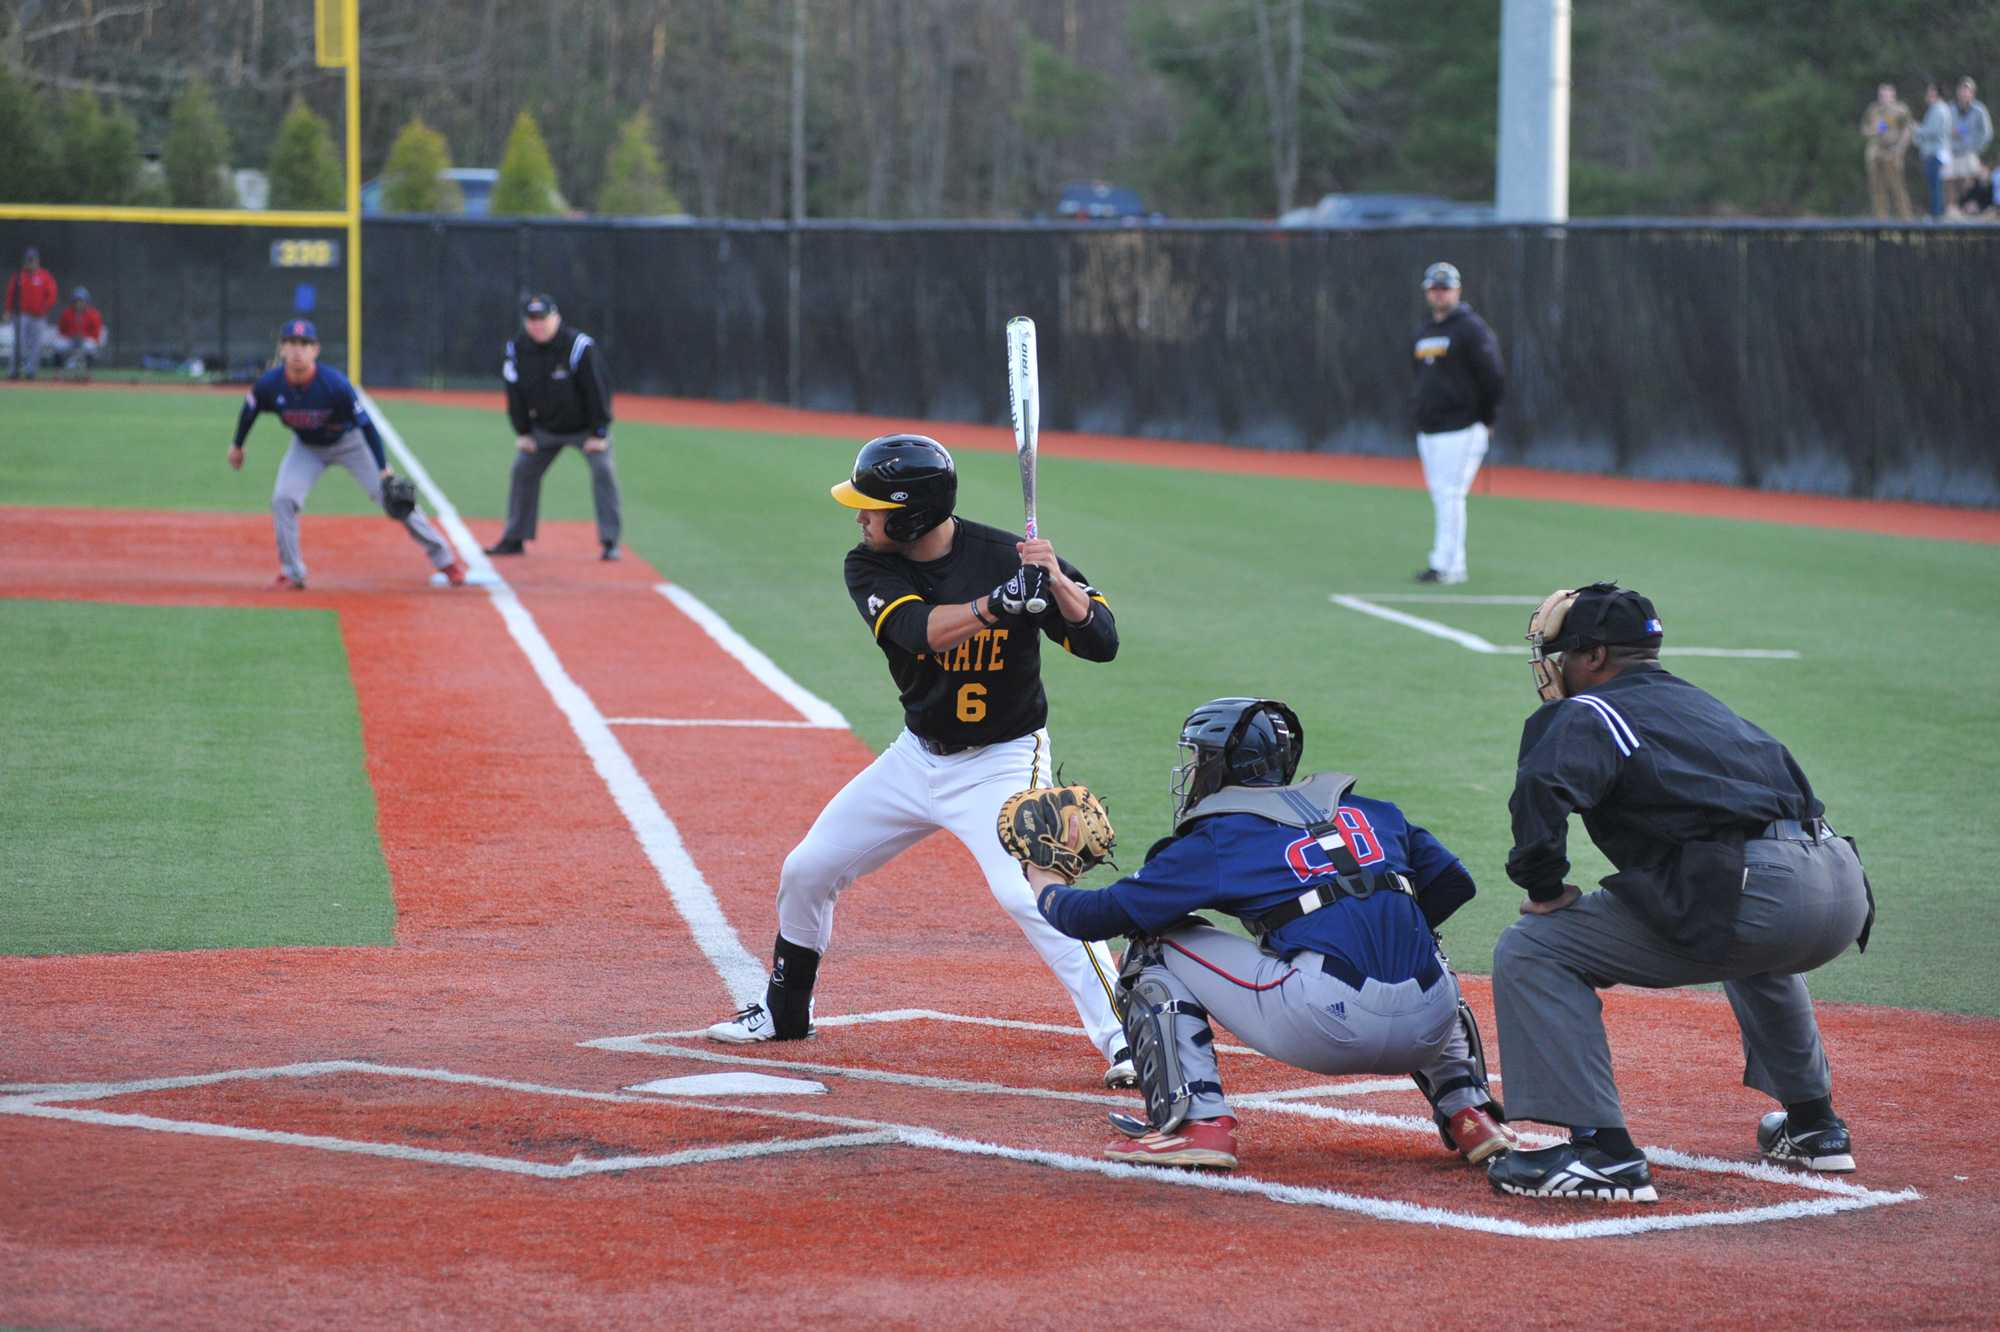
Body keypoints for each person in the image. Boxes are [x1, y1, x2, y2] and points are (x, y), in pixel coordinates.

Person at [704, 433, 1137, 1087]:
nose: (860, 518)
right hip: (915, 760)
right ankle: (785, 1012)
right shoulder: (869, 568)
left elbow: (1101, 642)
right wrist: (999, 606)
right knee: (808, 869)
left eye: (871, 506)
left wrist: (1053, 584)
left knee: (1027, 893)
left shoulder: (1005, 556)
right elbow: (919, 633)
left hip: (1005, 760)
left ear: (909, 514)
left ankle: (1130, 1037)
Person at [1485, 583, 1874, 1203]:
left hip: (1758, 893)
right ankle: (1815, 1127)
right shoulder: (1699, 705)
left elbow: (1540, 789)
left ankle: (1603, 1156)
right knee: (1745, 941)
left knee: (1535, 946)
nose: (1554, 666)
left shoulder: (1590, 711)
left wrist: (1545, 887)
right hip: (1839, 885)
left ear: (1596, 657)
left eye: (1562, 653)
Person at [1026, 697, 1516, 1172]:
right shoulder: (1373, 811)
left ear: (1224, 766)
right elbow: (1456, 883)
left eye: (1200, 759)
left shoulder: (1222, 837)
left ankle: (1195, 1125)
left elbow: (1097, 916)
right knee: (1418, 942)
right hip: (1429, 1024)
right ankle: (1469, 1110)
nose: (1194, 771)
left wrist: (1043, 882)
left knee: (1154, 941)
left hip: (1326, 1022)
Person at [229, 319, 466, 590]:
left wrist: (383, 470)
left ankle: (446, 562)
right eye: (291, 344)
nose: (297, 351)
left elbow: (367, 425)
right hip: (307, 448)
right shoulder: (270, 385)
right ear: (281, 349)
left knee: (394, 499)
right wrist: (237, 445)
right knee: (283, 499)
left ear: (315, 350)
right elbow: (250, 410)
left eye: (304, 344)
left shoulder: (334, 385)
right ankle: (292, 572)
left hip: (350, 443)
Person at [482, 293, 622, 561]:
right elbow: (515, 395)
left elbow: (598, 390)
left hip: (585, 428)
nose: (538, 325)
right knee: (523, 469)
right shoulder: (517, 349)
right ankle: (515, 537)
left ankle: (610, 540)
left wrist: (599, 433)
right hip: (545, 429)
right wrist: (523, 432)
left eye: (543, 319)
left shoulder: (578, 346)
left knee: (603, 469)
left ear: (556, 318)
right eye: (532, 320)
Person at [1409, 261, 1504, 586]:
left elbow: (1492, 374)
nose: (1440, 293)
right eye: (1435, 288)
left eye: (1445, 288)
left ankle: (1451, 565)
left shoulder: (1470, 328)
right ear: (1427, 292)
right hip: (1430, 426)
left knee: (1450, 494)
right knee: (1440, 494)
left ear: (1457, 290)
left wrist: (1487, 416)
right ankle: (1441, 561)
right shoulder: (1424, 330)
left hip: (1462, 425)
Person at [1860, 82, 1915, 219]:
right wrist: (1874, 130)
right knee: (1877, 188)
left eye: (1886, 94)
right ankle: (1881, 220)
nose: (1883, 97)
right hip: (1877, 151)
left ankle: (1906, 220)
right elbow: (1864, 130)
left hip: (1893, 152)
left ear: (1893, 95)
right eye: (1881, 95)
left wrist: (1900, 149)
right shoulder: (1873, 110)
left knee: (1897, 188)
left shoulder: (1900, 110)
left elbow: (1908, 131)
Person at [4, 246, 59, 380]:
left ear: (37, 261)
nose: (30, 263)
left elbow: (52, 295)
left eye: (33, 260)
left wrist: (43, 308)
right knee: (19, 344)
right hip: (21, 315)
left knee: (36, 345)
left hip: (38, 317)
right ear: (25, 261)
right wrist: (7, 310)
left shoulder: (44, 276)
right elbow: (10, 294)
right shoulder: (18, 276)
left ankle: (31, 371)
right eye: (28, 260)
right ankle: (14, 371)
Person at [1947, 77, 1994, 215]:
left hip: (1970, 153)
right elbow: (1943, 131)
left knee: (1969, 182)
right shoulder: (1950, 109)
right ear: (1958, 92)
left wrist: (1976, 148)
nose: (1964, 94)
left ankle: (1971, 211)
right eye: (1962, 90)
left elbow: (1987, 133)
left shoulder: (1979, 110)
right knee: (1949, 180)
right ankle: (1952, 211)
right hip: (1952, 153)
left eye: (1968, 91)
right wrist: (1951, 134)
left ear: (1973, 93)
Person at [1915, 83, 1955, 220]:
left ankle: (1936, 215)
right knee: (1935, 185)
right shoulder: (1938, 109)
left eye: (1930, 93)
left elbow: (1933, 131)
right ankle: (1936, 213)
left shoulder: (1939, 110)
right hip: (1935, 152)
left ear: (1936, 94)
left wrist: (1916, 129)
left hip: (1935, 153)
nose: (1927, 95)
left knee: (1936, 186)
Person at [51, 287, 106, 378]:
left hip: (85, 340)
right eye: (77, 301)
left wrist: (84, 336)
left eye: (81, 301)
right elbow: (61, 331)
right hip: (70, 340)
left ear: (86, 302)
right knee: (58, 344)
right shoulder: (67, 313)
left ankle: (88, 373)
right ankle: (58, 372)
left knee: (90, 346)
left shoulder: (93, 314)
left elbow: (96, 333)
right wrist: (71, 335)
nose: (79, 303)